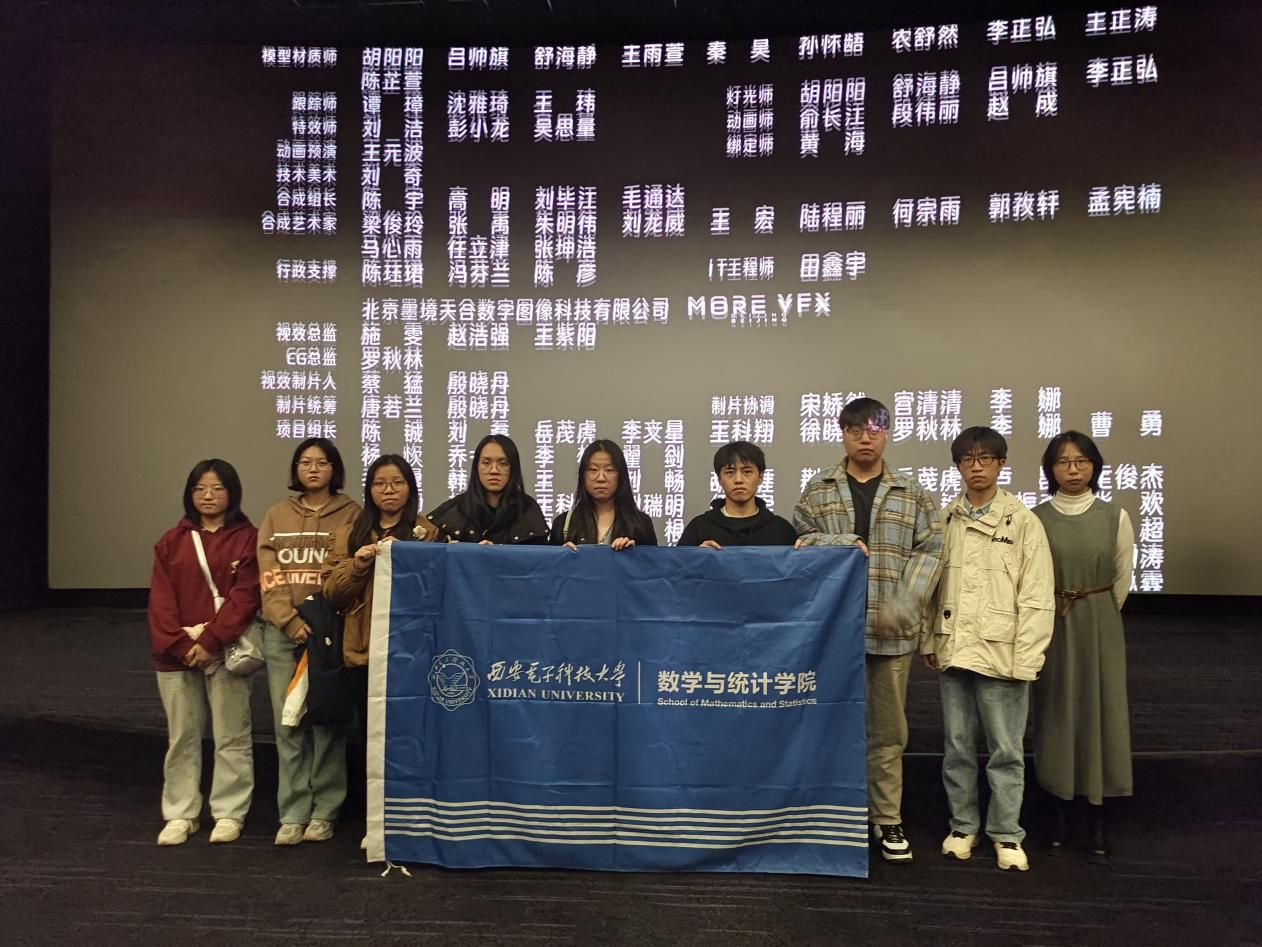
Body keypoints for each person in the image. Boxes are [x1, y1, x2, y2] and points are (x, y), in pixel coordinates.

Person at [794, 397, 943, 863]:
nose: (865, 438)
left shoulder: (910, 492)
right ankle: (832, 813)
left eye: (874, 430)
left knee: (887, 732)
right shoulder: (818, 489)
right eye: (855, 429)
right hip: (830, 634)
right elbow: (801, 540)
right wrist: (842, 542)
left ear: (887, 434)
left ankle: (886, 817)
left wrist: (902, 606)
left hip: (890, 633)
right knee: (827, 725)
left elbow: (931, 551)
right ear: (842, 433)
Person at [922, 427, 1055, 872]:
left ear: (1001, 464)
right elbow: (930, 587)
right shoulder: (945, 519)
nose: (976, 467)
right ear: (958, 466)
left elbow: (1037, 596)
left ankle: (1006, 833)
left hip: (1003, 654)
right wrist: (929, 639)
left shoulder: (1023, 521)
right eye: (967, 459)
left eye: (985, 459)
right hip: (954, 649)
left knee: (1006, 751)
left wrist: (1028, 658)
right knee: (957, 747)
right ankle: (963, 827)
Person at [1033, 431, 1136, 864]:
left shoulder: (1115, 516)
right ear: (1050, 469)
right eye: (1063, 462)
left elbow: (1121, 580)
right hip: (1051, 622)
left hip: (1098, 622)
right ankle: (1057, 809)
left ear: (1094, 466)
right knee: (1055, 711)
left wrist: (1095, 612)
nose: (1072, 470)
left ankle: (1097, 813)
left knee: (1100, 712)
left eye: (1081, 461)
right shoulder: (1035, 518)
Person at [147, 459, 260, 846]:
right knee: (182, 737)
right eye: (199, 489)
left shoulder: (249, 539)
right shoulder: (171, 541)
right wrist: (182, 646)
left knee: (232, 735)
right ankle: (181, 813)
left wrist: (210, 641)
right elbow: (161, 602)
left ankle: (230, 812)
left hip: (226, 652)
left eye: (217, 488)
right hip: (175, 656)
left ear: (233, 492)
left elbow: (245, 597)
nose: (208, 496)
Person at [257, 438, 361, 847]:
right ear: (295, 470)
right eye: (305, 462)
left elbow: (352, 573)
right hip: (284, 633)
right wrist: (287, 620)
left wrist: (321, 620)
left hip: (330, 632)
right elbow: (269, 574)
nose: (313, 469)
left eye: (321, 462)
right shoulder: (276, 515)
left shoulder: (352, 513)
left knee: (327, 721)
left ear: (335, 469)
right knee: (288, 724)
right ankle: (293, 812)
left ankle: (325, 811)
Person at [428, 434, 548, 544]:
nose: (494, 470)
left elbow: (540, 557)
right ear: (476, 467)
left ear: (513, 469)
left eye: (503, 463)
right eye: (486, 463)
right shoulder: (454, 510)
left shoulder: (528, 510)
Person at [678, 441, 797, 547]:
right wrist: (697, 557)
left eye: (747, 472)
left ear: (760, 477)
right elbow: (678, 564)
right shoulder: (699, 527)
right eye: (730, 472)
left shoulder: (781, 529)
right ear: (719, 479)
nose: (738, 480)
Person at [549, 439, 658, 549]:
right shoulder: (563, 524)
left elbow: (652, 559)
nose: (601, 478)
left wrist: (633, 553)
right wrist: (563, 555)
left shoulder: (641, 524)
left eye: (609, 470)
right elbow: (549, 559)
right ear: (582, 476)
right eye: (593, 470)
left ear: (621, 476)